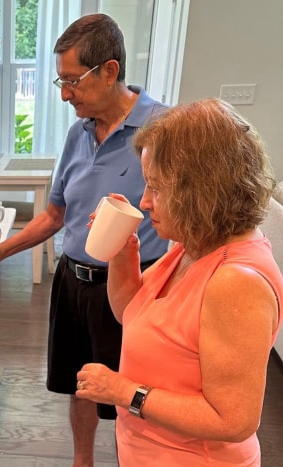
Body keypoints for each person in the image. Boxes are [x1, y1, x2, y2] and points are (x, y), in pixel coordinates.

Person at [0, 13, 169, 466]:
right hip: (73, 282)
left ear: (109, 71)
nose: (65, 95)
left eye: (73, 81)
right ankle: (82, 461)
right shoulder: (76, 133)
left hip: (135, 289)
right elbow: (55, 214)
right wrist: (4, 250)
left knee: (131, 395)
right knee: (80, 382)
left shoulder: (162, 130)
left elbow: (185, 223)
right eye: (59, 82)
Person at [75, 98, 283, 465]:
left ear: (200, 190)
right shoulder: (193, 245)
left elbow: (233, 420)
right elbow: (130, 311)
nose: (146, 201)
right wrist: (123, 254)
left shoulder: (235, 281)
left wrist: (124, 391)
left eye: (156, 187)